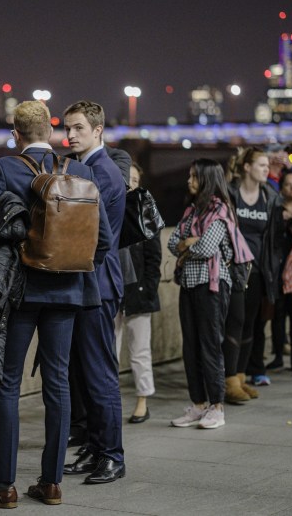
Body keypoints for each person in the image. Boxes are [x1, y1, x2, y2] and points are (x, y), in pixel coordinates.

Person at [0, 100, 112, 508]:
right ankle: (51, 482)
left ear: (16, 133)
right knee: (58, 384)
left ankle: (4, 485)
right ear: (51, 130)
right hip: (69, 292)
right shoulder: (80, 171)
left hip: (21, 291)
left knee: (8, 383)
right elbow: (106, 240)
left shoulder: (5, 169)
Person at [61, 100, 126, 485]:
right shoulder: (92, 167)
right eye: (67, 128)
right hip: (91, 283)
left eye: (78, 128)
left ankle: (112, 456)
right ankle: (96, 449)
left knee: (100, 375)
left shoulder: (100, 172)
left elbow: (93, 235)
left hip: (96, 285)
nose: (69, 135)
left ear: (98, 131)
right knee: (86, 375)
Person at [167, 159, 250, 429]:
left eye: (194, 176)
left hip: (212, 286)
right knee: (190, 346)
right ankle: (198, 403)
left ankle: (217, 406)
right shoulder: (191, 211)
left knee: (210, 345)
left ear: (207, 179)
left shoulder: (221, 210)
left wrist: (189, 244)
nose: (189, 181)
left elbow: (206, 248)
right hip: (189, 284)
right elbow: (171, 242)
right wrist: (192, 243)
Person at [229, 147, 282, 391]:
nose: (266, 169)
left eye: (267, 165)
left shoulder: (270, 197)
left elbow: (273, 237)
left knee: (251, 323)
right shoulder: (230, 193)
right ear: (247, 167)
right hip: (230, 269)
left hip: (258, 270)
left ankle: (241, 375)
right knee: (232, 322)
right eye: (261, 165)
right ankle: (228, 374)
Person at [116, 162, 162, 424]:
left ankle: (143, 401)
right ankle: (110, 401)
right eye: (126, 178)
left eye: (134, 179)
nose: (130, 183)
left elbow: (154, 258)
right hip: (113, 291)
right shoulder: (110, 207)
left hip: (139, 291)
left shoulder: (145, 209)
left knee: (139, 351)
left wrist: (149, 288)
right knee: (109, 350)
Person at [267, 171, 292, 372]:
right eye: (288, 184)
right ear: (281, 188)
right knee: (278, 315)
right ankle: (279, 355)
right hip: (278, 267)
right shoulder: (275, 211)